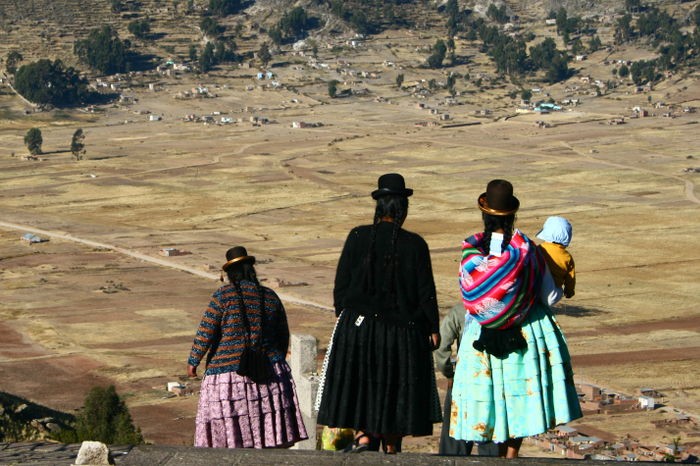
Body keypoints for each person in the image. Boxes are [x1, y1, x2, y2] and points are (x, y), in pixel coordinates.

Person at [449, 179, 582, 458]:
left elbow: (470, 293)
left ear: (484, 213)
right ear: (513, 214)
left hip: (480, 331)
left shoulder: (472, 252)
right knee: (517, 393)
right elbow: (549, 297)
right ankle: (510, 455)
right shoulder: (527, 249)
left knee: (487, 391)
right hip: (523, 329)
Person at [315, 173, 442, 454]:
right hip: (401, 332)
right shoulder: (414, 244)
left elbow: (341, 286)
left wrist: (347, 319)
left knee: (363, 385)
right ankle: (391, 446)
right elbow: (425, 292)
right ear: (402, 209)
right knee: (395, 388)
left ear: (379, 207)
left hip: (357, 328)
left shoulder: (358, 236)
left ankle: (364, 437)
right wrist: (432, 327)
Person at [187, 246, 308, 449]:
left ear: (229, 273)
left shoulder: (223, 296)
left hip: (228, 377)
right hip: (269, 373)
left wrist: (193, 361)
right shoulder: (270, 296)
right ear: (251, 269)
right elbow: (282, 335)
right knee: (267, 437)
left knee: (230, 442)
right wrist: (274, 357)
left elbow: (206, 330)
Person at [434, 303, 498, 457]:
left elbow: (441, 347)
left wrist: (449, 373)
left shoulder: (459, 310)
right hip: (494, 381)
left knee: (454, 440)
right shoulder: (503, 309)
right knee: (491, 439)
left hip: (463, 380)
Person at [537, 216, 576, 298]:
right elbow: (570, 279)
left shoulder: (538, 249)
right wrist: (569, 291)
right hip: (552, 294)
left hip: (535, 289)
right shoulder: (567, 257)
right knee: (558, 291)